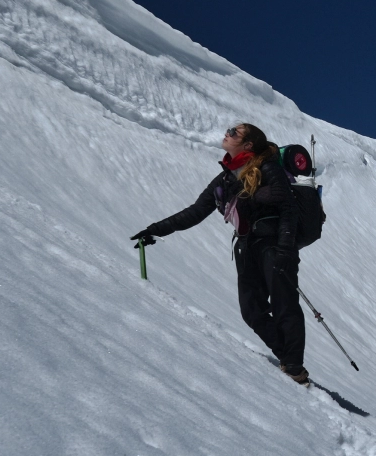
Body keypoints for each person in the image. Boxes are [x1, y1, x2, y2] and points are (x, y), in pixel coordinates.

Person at [132, 123, 309, 385]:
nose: (228, 133)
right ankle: (287, 357)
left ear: (248, 144)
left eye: (234, 132)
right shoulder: (226, 178)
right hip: (247, 247)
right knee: (252, 311)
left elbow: (288, 210)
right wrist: (156, 229)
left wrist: (284, 248)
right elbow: (195, 211)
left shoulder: (267, 168)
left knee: (285, 305)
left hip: (274, 245)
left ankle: (294, 368)